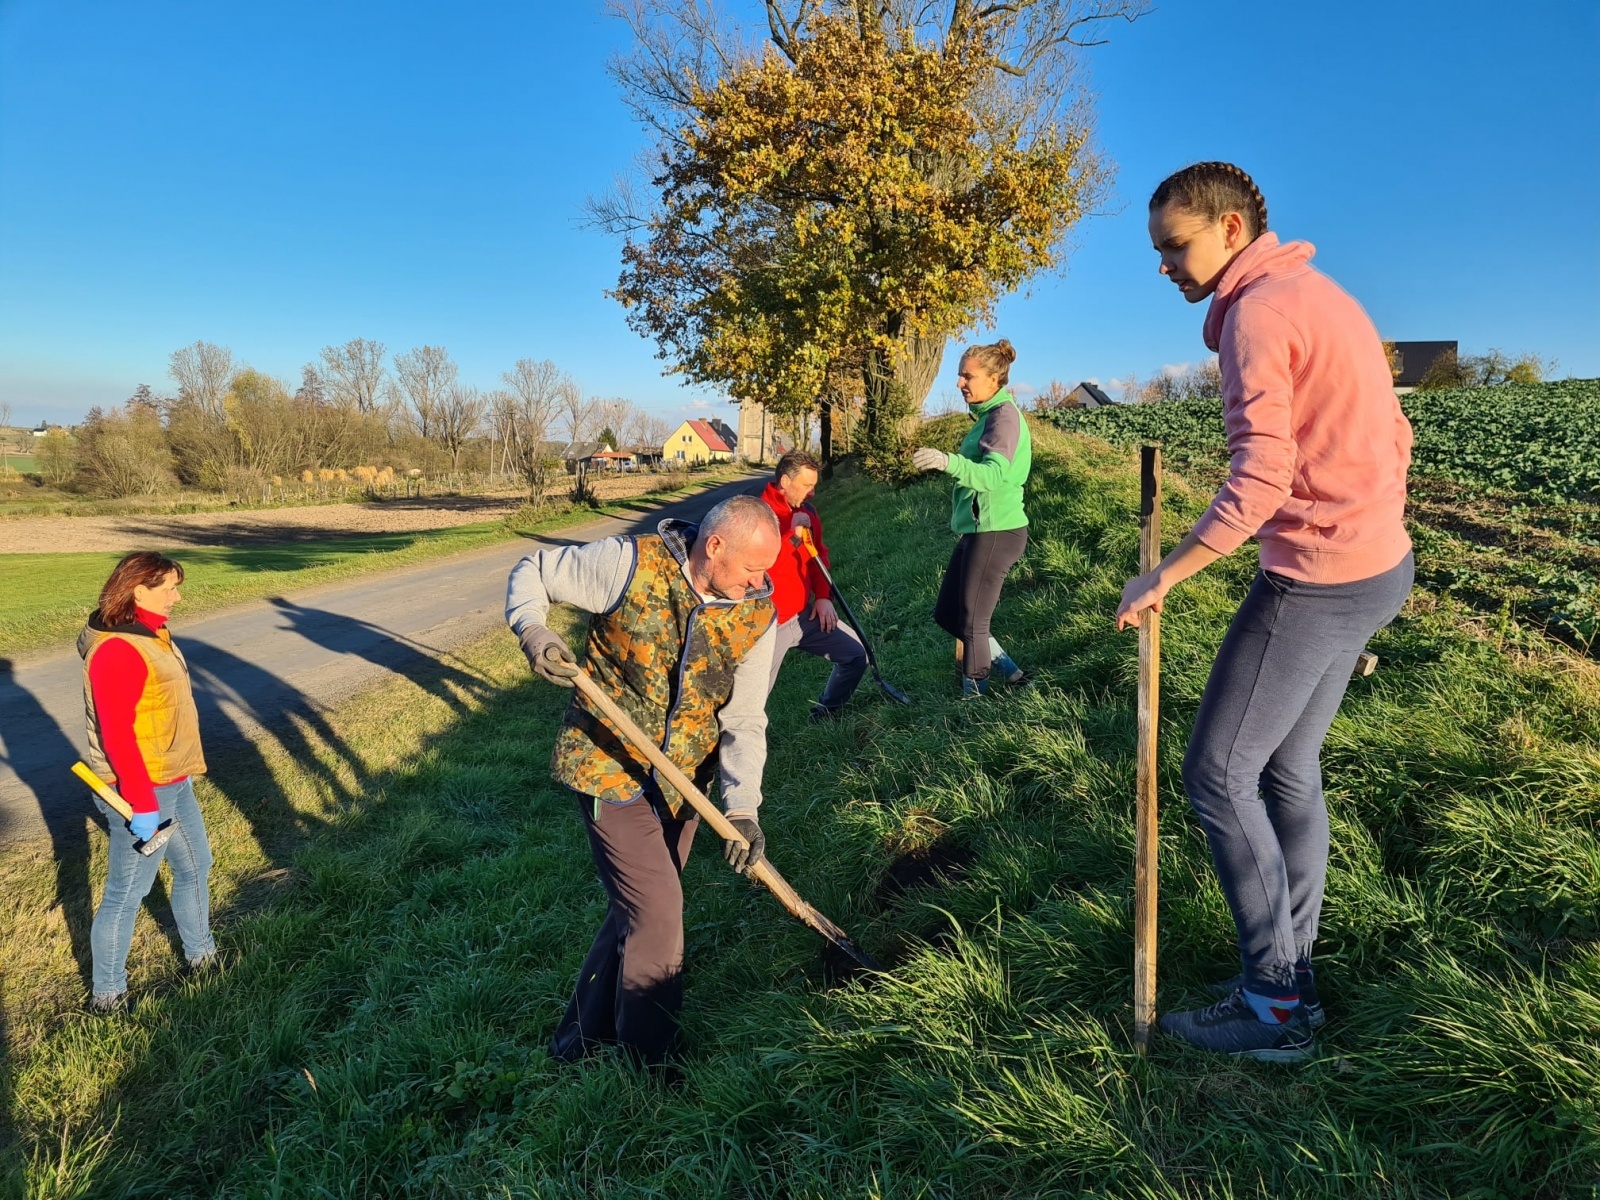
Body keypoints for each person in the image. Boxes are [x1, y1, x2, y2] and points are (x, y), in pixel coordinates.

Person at [1117, 162, 1414, 1061]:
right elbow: (1395, 434)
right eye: (1160, 250)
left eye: (1176, 245)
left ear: (1232, 228)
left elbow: (1258, 481)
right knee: (1286, 769)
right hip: (1377, 567)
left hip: (1316, 578)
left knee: (1216, 775)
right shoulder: (1321, 294)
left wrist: (1165, 573)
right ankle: (1293, 975)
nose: (1166, 264)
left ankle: (1273, 1005)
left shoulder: (1258, 314)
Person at [505, 496, 781, 1066]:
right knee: (658, 913)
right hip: (607, 764)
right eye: (754, 567)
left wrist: (742, 809)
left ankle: (576, 1042)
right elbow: (534, 569)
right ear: (715, 546)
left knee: (638, 909)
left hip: (683, 783)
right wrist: (533, 629)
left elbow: (745, 720)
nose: (762, 580)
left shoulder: (758, 614)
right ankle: (646, 1067)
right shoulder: (627, 565)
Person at [79, 551, 217, 1013]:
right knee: (126, 894)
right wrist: (140, 803)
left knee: (197, 865)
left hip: (172, 781)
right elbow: (118, 734)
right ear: (138, 590)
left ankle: (204, 959)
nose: (178, 596)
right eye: (169, 588)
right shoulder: (118, 648)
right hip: (144, 790)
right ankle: (108, 996)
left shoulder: (151, 633)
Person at [910, 338, 1034, 697]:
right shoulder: (988, 416)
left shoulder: (1003, 418)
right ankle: (1010, 671)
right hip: (979, 529)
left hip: (997, 530)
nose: (960, 383)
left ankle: (973, 698)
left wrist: (947, 461)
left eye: (968, 376)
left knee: (973, 621)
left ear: (994, 379)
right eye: (960, 375)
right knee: (948, 615)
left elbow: (994, 475)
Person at [755, 449, 868, 721]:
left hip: (804, 616)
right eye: (807, 486)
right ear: (784, 482)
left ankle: (825, 713)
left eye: (814, 486)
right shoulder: (756, 514)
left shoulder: (807, 511)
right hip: (767, 625)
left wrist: (823, 597)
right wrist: (791, 536)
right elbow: (762, 566)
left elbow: (817, 556)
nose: (813, 493)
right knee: (751, 702)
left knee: (856, 655)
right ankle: (714, 758)